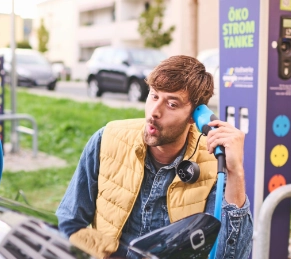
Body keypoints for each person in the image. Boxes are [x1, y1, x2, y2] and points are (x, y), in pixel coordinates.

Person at [56, 55, 253, 259]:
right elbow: (69, 222)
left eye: (172, 104)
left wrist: (235, 172)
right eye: (154, 95)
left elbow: (231, 255)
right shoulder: (107, 139)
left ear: (195, 116)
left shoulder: (213, 161)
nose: (154, 112)